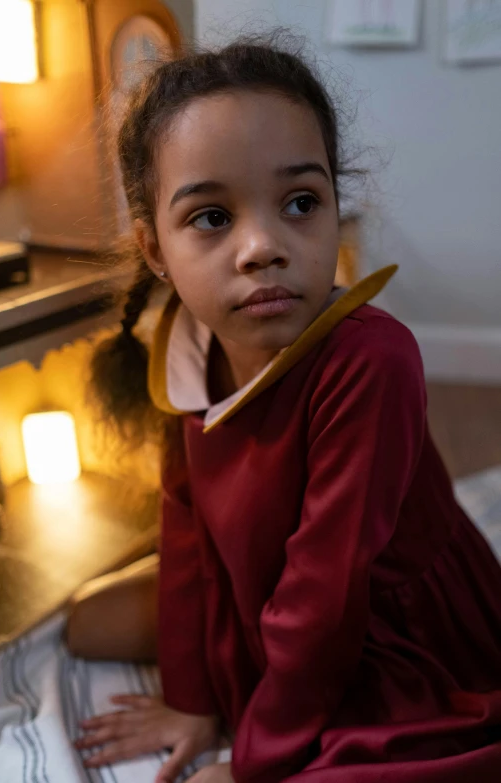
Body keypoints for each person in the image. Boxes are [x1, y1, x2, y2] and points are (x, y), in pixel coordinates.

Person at [66, 37, 501, 783]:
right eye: (210, 217)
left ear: (336, 204)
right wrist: (193, 701)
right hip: (266, 586)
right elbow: (190, 539)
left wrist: (250, 763)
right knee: (84, 620)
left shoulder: (373, 360)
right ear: (155, 249)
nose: (263, 246)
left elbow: (326, 597)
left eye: (301, 203)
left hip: (373, 624)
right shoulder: (185, 355)